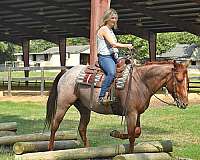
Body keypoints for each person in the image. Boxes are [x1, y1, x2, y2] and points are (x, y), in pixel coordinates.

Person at [97, 8, 133, 103]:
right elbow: (113, 44)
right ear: (107, 18)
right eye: (112, 18)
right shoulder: (104, 29)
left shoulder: (110, 30)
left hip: (113, 56)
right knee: (111, 73)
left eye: (116, 18)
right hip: (105, 57)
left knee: (129, 67)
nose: (115, 20)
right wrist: (127, 45)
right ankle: (102, 95)